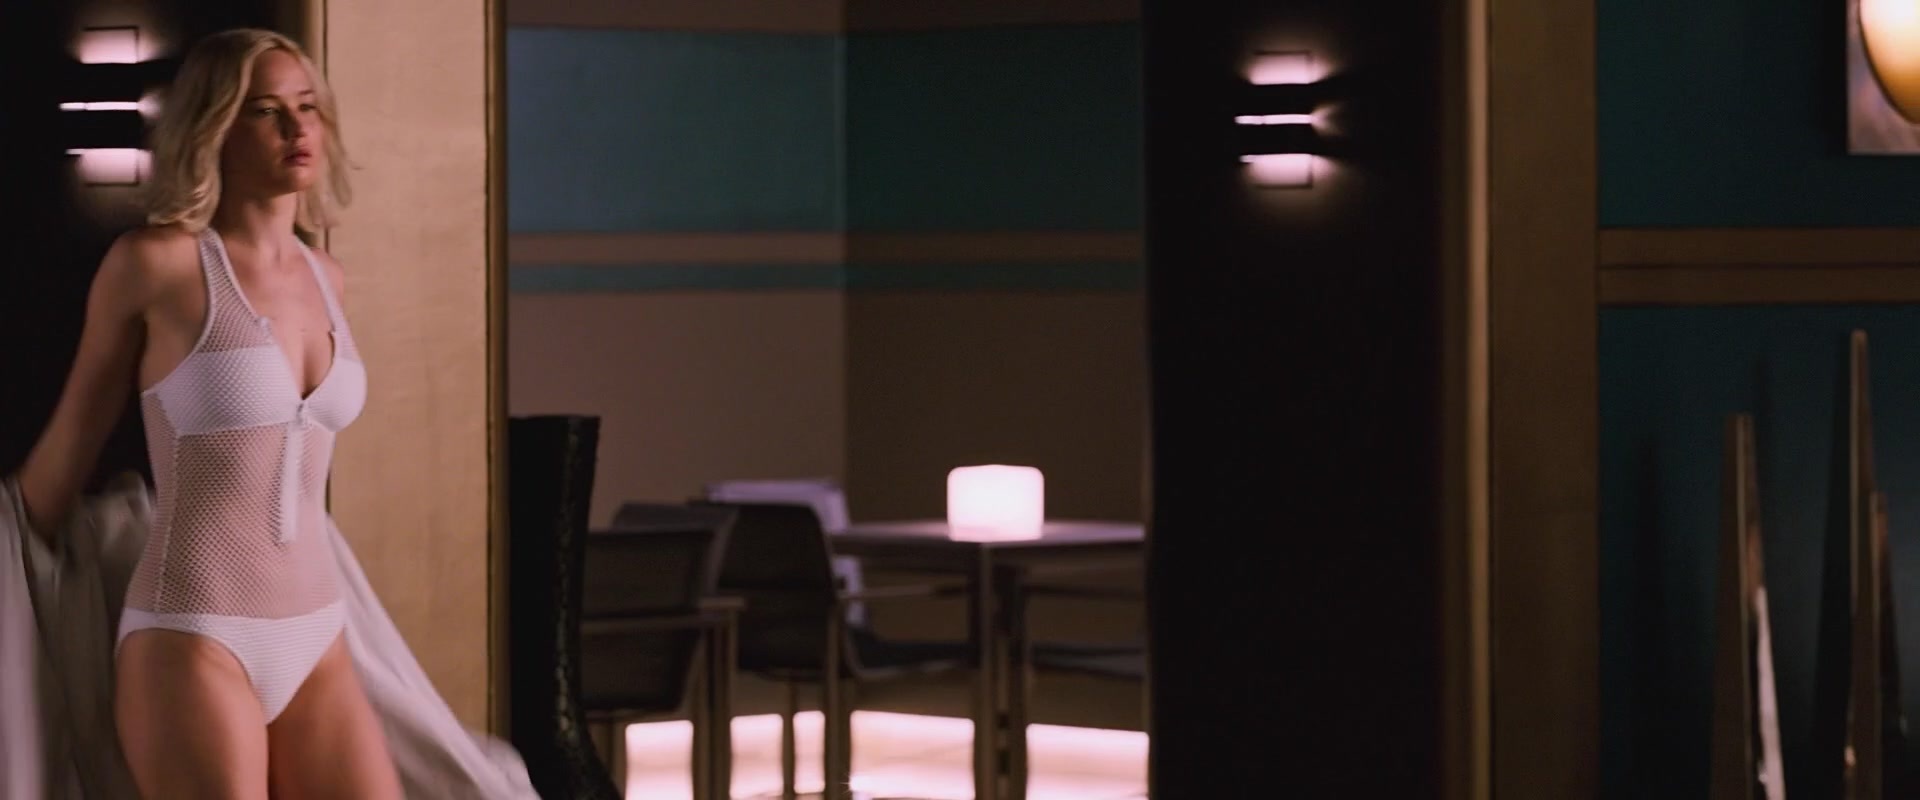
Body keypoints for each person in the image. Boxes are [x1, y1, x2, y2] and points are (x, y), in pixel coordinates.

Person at [11, 28, 513, 799]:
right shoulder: (157, 265)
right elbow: (67, 450)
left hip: (319, 639)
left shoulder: (327, 276)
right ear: (213, 125)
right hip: (193, 637)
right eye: (266, 111)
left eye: (307, 107)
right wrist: (19, 539)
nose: (296, 128)